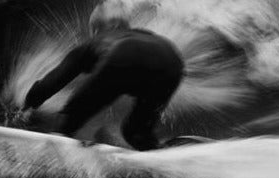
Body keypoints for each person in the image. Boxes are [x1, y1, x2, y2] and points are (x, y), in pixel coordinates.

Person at [21, 14, 184, 151]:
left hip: (125, 53)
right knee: (136, 133)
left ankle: (56, 153)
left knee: (68, 120)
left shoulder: (94, 42)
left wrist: (27, 106)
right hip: (172, 61)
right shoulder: (140, 34)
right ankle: (165, 154)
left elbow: (53, 81)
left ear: (96, 30)